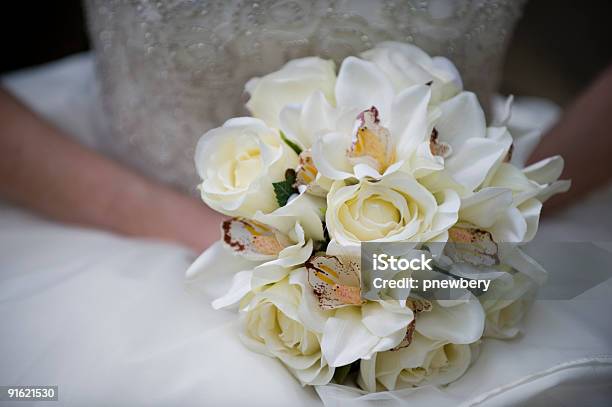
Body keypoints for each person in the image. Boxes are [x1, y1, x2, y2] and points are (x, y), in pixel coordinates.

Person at [1, 1, 611, 405]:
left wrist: (503, 207)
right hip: (117, 214)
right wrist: (276, 255)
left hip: (476, 217)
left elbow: (463, 249)